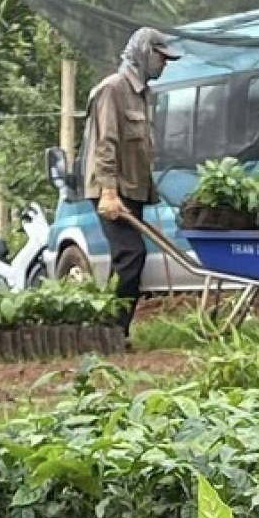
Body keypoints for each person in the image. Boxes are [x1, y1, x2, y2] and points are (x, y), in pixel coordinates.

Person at [88, 27, 182, 339]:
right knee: (131, 254)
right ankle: (112, 329)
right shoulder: (113, 89)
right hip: (112, 189)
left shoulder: (143, 94)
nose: (163, 64)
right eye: (160, 57)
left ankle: (112, 331)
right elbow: (106, 143)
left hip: (132, 188)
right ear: (143, 52)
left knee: (125, 259)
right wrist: (109, 192)